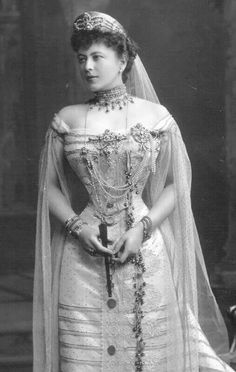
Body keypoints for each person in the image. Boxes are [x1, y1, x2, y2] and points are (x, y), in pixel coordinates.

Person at [33, 11, 234, 372]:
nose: (88, 67)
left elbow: (178, 182)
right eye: (82, 59)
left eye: (97, 57)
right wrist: (79, 228)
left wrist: (144, 227)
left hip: (144, 247)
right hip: (81, 256)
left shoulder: (156, 117)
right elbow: (47, 189)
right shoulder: (67, 119)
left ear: (123, 59)